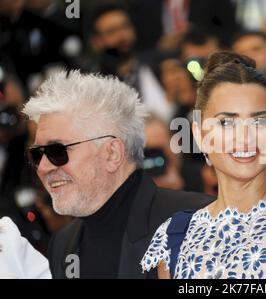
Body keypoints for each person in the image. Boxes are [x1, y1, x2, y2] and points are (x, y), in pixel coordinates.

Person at [141, 51, 266, 279]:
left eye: (260, 121)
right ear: (199, 134)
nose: (245, 137)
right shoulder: (175, 236)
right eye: (226, 122)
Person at [22, 70, 212, 279]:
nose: (43, 167)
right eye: (37, 154)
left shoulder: (198, 223)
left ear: (112, 154)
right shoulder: (63, 245)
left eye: (58, 152)